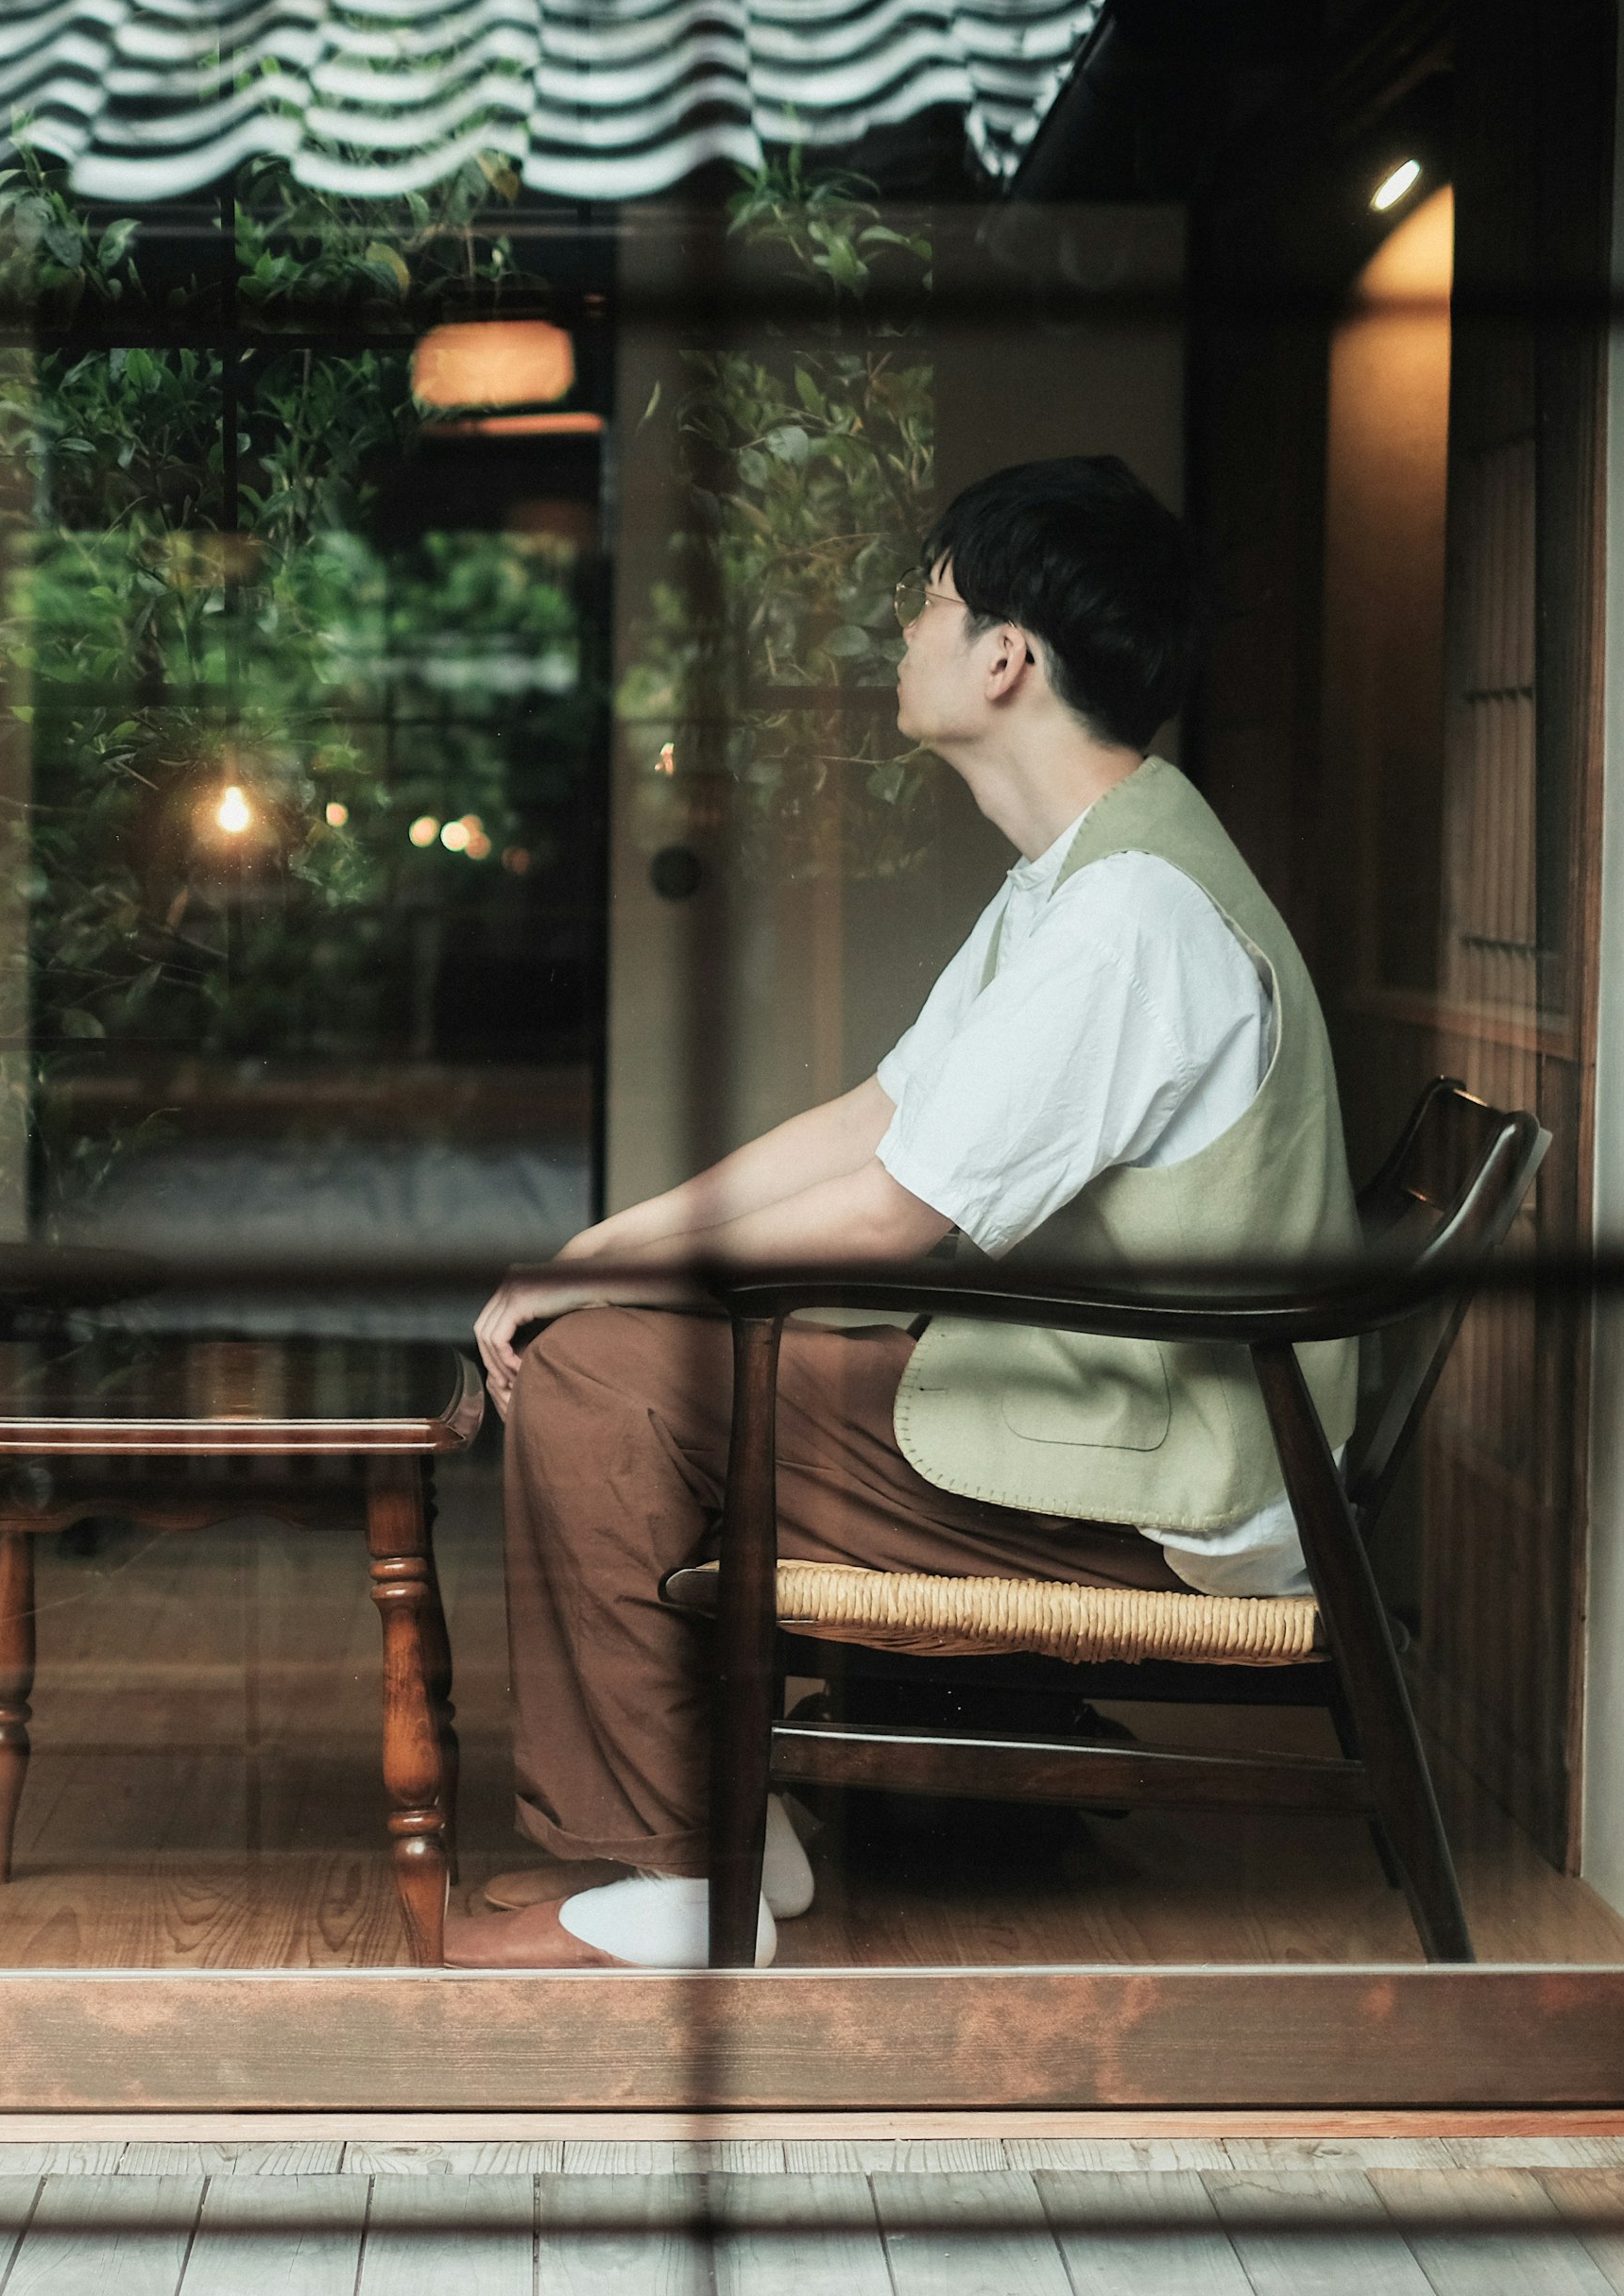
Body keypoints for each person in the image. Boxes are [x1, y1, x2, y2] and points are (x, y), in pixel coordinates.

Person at [442, 456, 1359, 1969]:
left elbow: (889, 1217)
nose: (902, 633)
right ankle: (729, 1825)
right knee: (617, 1331)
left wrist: (607, 1290)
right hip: (1125, 1408)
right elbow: (878, 1114)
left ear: (1009, 657)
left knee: (606, 1382)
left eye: (925, 602)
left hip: (1173, 1478)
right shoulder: (1082, 876)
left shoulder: (1132, 915)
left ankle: (691, 1880)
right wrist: (606, 1246)